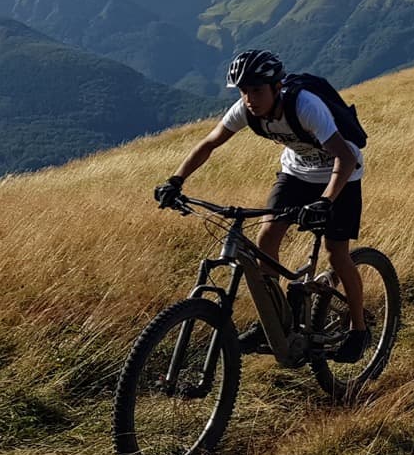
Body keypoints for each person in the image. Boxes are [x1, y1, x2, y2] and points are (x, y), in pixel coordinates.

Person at [153, 50, 371, 362]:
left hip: (342, 176)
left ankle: (359, 331)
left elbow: (345, 157)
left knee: (337, 254)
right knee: (267, 236)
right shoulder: (245, 109)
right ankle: (274, 322)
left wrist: (325, 202)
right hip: (296, 173)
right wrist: (175, 181)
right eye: (244, 91)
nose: (250, 98)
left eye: (256, 90)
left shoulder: (305, 106)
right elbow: (210, 143)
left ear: (277, 87)